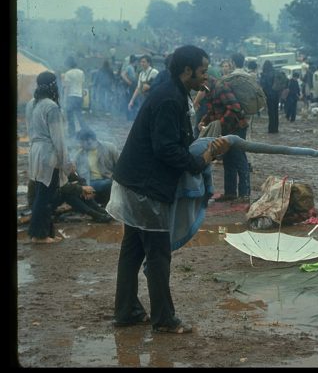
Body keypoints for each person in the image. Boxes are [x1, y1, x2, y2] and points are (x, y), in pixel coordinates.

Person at [106, 45, 230, 334]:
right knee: (158, 254)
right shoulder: (169, 99)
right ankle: (164, 319)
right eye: (202, 71)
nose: (206, 76)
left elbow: (173, 139)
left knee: (132, 251)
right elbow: (166, 149)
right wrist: (203, 160)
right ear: (186, 71)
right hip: (145, 188)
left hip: (134, 181)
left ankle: (126, 311)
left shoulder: (173, 93)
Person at [25, 71, 71, 243]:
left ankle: (48, 232)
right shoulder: (51, 107)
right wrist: (66, 163)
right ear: (53, 86)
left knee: (41, 193)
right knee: (45, 197)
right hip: (48, 154)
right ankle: (39, 235)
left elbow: (31, 131)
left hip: (35, 151)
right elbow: (58, 140)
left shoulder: (31, 103)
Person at [200, 53, 251, 203]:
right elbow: (212, 111)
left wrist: (220, 123)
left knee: (239, 158)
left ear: (207, 81)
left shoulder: (221, 87)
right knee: (228, 159)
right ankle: (230, 192)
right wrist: (204, 121)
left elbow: (234, 108)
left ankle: (244, 193)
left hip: (237, 127)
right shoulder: (209, 91)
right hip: (227, 128)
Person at [74, 128, 120, 205]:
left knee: (108, 184)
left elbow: (119, 165)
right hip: (90, 183)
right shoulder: (79, 155)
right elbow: (78, 175)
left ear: (89, 140)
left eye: (81, 142)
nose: (80, 144)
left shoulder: (109, 147)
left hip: (107, 180)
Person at [61, 56, 87, 137]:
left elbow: (67, 88)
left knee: (70, 116)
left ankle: (72, 133)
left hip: (71, 97)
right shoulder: (81, 72)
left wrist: (64, 100)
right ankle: (85, 131)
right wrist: (82, 95)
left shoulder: (68, 73)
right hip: (79, 96)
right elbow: (82, 85)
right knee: (79, 115)